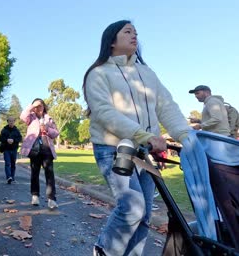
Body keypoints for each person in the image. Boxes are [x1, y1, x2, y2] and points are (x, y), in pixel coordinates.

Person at [82, 20, 191, 256]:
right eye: (128, 31)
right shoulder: (98, 73)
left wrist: (186, 136)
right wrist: (145, 135)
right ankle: (104, 251)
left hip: (144, 152)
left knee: (144, 216)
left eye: (136, 33)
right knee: (132, 208)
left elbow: (166, 106)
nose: (135, 36)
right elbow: (104, 113)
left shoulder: (147, 73)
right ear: (111, 40)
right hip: (113, 149)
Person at [20, 98, 60, 209]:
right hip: (34, 149)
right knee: (34, 173)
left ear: (44, 107)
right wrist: (32, 105)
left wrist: (47, 129)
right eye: (36, 106)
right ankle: (35, 196)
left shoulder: (49, 118)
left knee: (50, 174)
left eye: (41, 106)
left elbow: (56, 133)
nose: (39, 108)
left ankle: (51, 199)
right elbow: (22, 116)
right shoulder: (30, 117)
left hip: (47, 149)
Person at [0, 116, 22, 184]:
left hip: (14, 149)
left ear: (14, 122)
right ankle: (9, 177)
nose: (11, 122)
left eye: (12, 121)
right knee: (7, 163)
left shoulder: (16, 130)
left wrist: (14, 140)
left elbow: (20, 138)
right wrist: (6, 140)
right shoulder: (4, 130)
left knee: (13, 164)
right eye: (10, 121)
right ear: (8, 122)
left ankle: (12, 177)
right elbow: (0, 138)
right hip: (6, 149)